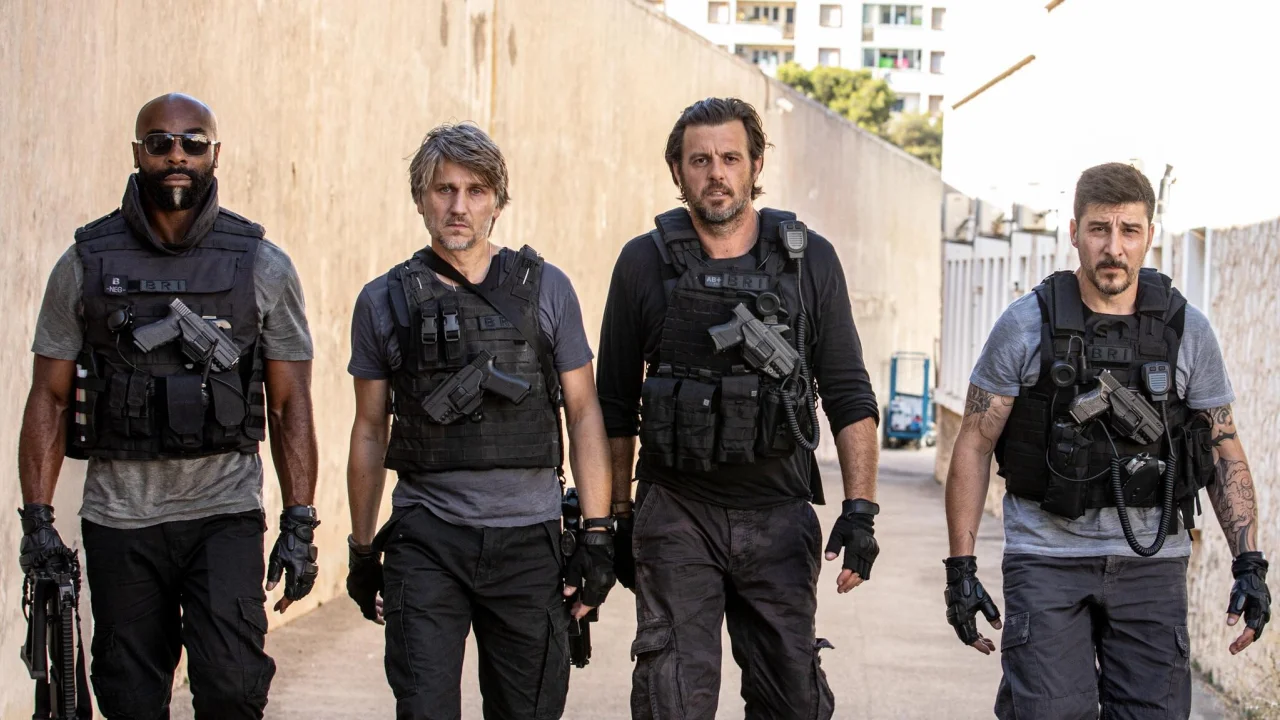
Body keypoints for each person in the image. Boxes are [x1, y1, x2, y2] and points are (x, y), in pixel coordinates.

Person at [16, 93, 320, 719]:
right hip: (121, 518)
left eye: (193, 143)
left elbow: (290, 403)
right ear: (138, 153)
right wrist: (37, 521)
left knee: (234, 688)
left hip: (224, 512)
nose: (176, 155)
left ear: (215, 153)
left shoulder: (262, 265)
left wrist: (299, 523)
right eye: (159, 143)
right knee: (128, 697)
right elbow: (49, 395)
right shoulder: (84, 264)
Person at [943, 162, 1271, 718]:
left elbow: (1223, 448)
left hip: (1151, 569)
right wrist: (961, 568)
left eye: (1129, 230)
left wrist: (1250, 564)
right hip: (1046, 561)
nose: (1113, 247)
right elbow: (973, 443)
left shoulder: (1186, 330)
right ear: (1074, 232)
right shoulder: (1025, 325)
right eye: (1099, 228)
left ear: (1150, 235)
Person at [596, 97, 882, 719]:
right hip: (677, 513)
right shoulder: (642, 262)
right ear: (677, 170)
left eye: (730, 158)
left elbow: (848, 391)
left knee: (793, 703)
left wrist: (860, 509)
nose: (716, 173)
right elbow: (613, 405)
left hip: (779, 514)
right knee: (673, 701)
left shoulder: (809, 260)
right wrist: (614, 517)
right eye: (699, 160)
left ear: (756, 165)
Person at [343, 122, 616, 720]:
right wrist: (362, 550)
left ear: (498, 200)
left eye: (475, 190)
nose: (459, 207)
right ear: (420, 198)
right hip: (428, 538)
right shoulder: (382, 300)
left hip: (529, 542)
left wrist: (597, 535)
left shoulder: (548, 289)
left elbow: (583, 411)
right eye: (443, 189)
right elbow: (369, 430)